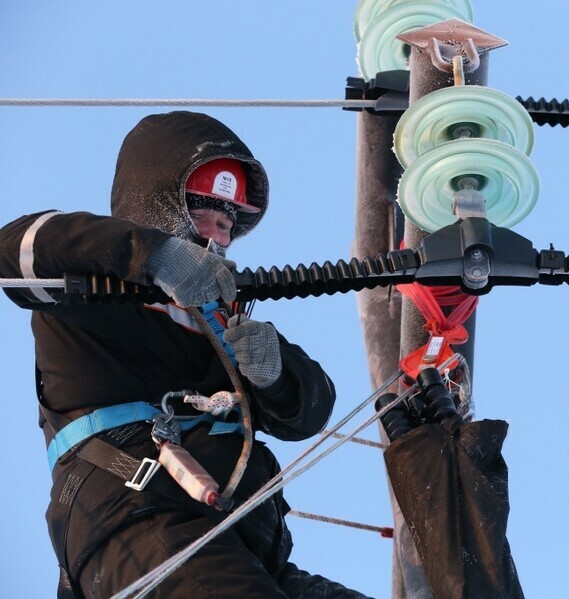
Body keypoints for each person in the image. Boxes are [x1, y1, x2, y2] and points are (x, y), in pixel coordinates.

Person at [0, 111, 369, 598]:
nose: (217, 238)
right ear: (154, 205)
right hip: (138, 522)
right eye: (203, 215)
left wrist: (275, 373)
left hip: (244, 548)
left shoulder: (221, 324)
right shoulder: (85, 292)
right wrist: (152, 255)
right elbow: (15, 249)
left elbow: (311, 411)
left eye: (227, 224)